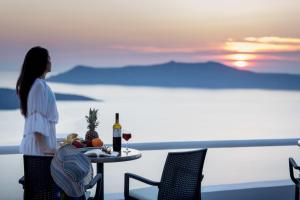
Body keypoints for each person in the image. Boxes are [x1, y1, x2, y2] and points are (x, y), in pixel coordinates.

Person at [16, 46, 58, 155]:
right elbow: (36, 118)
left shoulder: (38, 84)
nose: (50, 62)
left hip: (40, 145)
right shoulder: (38, 85)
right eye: (48, 59)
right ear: (40, 63)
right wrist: (45, 148)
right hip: (39, 148)